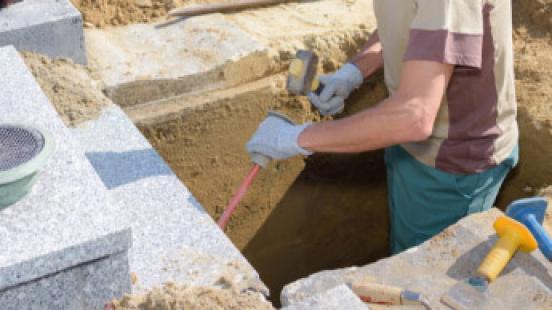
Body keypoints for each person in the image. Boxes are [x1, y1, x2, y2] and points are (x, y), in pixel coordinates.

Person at [246, 0, 519, 254]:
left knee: (418, 276)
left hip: (452, 168)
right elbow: (414, 24)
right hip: (408, 141)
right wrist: (353, 72)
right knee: (402, 249)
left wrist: (296, 138)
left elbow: (414, 116)